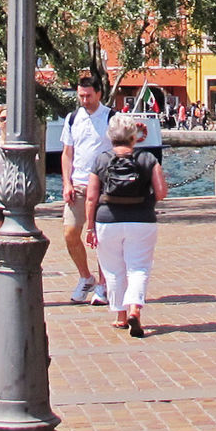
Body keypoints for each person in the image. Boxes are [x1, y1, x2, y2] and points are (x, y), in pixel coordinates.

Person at [84, 114, 168, 335]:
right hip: (142, 220)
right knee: (138, 268)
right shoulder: (147, 158)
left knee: (113, 270)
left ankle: (120, 316)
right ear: (133, 136)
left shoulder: (101, 159)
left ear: (110, 136)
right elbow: (161, 192)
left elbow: (91, 198)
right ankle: (135, 309)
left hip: (107, 220)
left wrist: (90, 227)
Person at [59, 74, 114, 304]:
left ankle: (104, 283)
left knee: (101, 236)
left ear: (98, 94)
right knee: (70, 233)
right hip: (79, 184)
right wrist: (67, 183)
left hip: (104, 186)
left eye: (88, 96)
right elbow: (67, 153)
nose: (84, 100)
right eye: (81, 96)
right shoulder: (73, 118)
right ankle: (85, 276)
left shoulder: (111, 117)